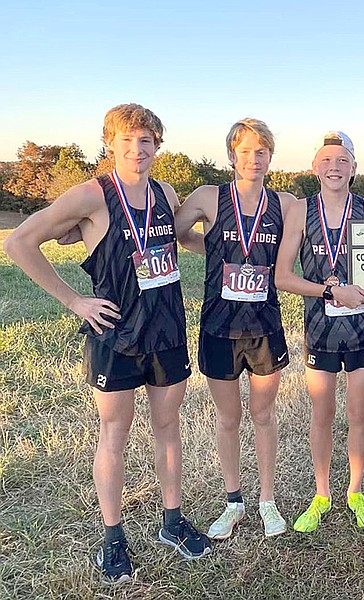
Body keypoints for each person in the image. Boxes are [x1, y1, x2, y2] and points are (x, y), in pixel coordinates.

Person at [3, 104, 212, 584]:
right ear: (110, 144)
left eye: (146, 141)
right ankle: (112, 536)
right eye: (127, 141)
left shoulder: (165, 191)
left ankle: (173, 521)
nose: (137, 150)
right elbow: (20, 242)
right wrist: (75, 301)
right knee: (114, 433)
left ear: (158, 147)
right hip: (114, 333)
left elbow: (177, 241)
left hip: (165, 330)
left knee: (168, 427)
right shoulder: (90, 195)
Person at [174, 118, 294, 540]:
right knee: (229, 417)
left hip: (265, 325)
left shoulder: (286, 203)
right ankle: (233, 501)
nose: (254, 158)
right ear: (231, 155)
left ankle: (267, 500)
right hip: (218, 326)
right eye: (245, 150)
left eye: (261, 151)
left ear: (270, 157)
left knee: (264, 415)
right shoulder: (209, 196)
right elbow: (168, 230)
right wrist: (210, 249)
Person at [274, 131, 364, 531]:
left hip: (363, 330)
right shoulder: (299, 211)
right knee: (322, 414)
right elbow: (282, 276)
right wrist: (331, 289)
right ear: (314, 168)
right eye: (327, 160)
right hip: (320, 331)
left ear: (354, 169)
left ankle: (356, 492)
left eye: (342, 161)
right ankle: (322, 494)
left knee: (358, 413)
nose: (334, 167)